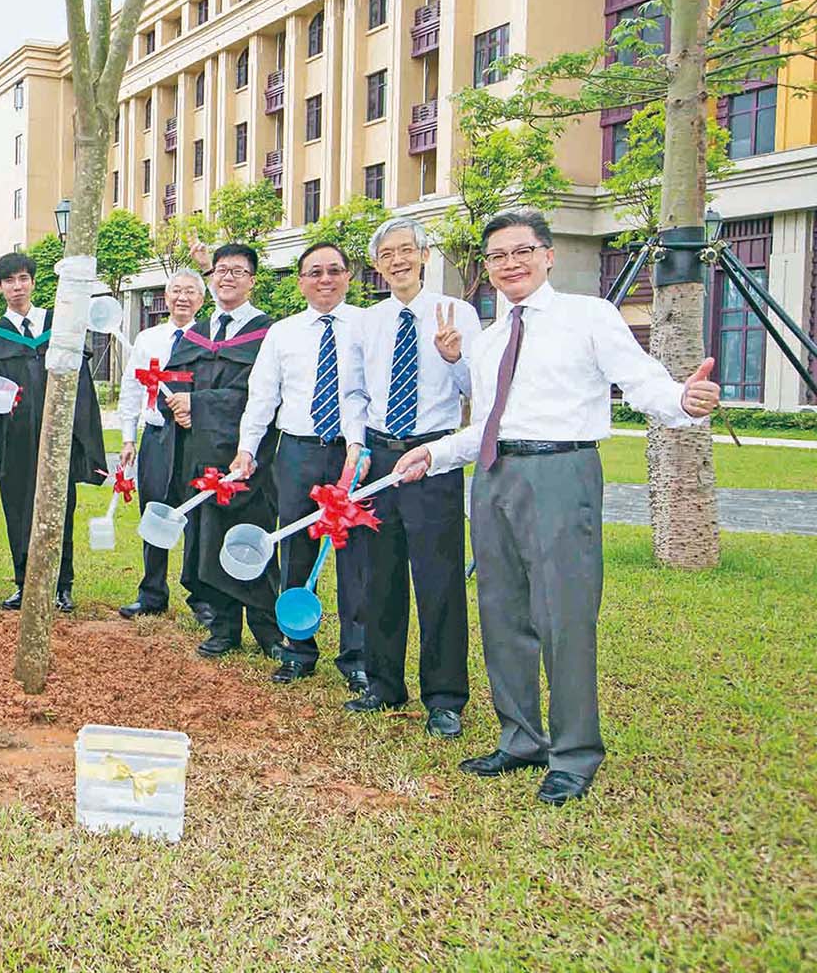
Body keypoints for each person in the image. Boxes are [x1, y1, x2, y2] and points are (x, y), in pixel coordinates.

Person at [393, 210, 720, 806]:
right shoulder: (488, 341)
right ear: (487, 268)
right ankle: (520, 738)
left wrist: (683, 400)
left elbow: (641, 380)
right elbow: (489, 424)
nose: (510, 264)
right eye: (497, 256)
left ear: (547, 255)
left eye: (522, 251)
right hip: (494, 477)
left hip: (562, 472)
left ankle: (574, 753)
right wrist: (432, 454)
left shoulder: (587, 315)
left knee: (563, 616)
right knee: (501, 611)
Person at [341, 216, 480, 737]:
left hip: (433, 459)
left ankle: (444, 698)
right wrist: (357, 446)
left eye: (406, 251)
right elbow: (353, 394)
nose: (397, 261)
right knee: (379, 576)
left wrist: (455, 356)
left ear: (424, 255)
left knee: (439, 580)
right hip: (378, 456)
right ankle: (382, 682)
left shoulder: (456, 313)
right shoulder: (365, 322)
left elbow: (476, 389)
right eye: (387, 254)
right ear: (377, 266)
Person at [231, 241, 369, 689]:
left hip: (353, 452)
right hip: (297, 452)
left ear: (349, 276)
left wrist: (360, 444)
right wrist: (248, 448)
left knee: (355, 555)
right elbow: (263, 396)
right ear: (300, 281)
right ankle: (298, 650)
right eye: (314, 272)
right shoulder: (283, 332)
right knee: (294, 549)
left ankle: (358, 657)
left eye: (334, 270)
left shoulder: (369, 327)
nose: (325, 279)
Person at [146, 244, 280, 659]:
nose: (227, 277)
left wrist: (200, 406)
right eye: (221, 270)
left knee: (247, 534)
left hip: (247, 454)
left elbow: (263, 394)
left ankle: (267, 629)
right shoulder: (198, 333)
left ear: (252, 280)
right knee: (206, 536)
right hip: (199, 450)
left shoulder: (267, 333)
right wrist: (180, 404)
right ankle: (222, 627)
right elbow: (176, 377)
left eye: (238, 271)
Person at [0, 251, 108, 612]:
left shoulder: (59, 325)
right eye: (9, 281)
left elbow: (81, 385)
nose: (17, 287)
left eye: (23, 279)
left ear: (33, 282)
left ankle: (63, 585)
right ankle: (24, 582)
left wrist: (86, 441)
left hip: (58, 438)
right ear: (1, 287)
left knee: (60, 508)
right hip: (14, 440)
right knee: (18, 507)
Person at [116, 268, 206, 619]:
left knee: (196, 516)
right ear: (165, 297)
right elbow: (131, 387)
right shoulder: (147, 338)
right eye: (176, 291)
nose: (182, 298)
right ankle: (152, 592)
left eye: (190, 292)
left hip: (195, 439)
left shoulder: (208, 337)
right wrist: (128, 436)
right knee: (153, 512)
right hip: (156, 436)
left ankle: (200, 597)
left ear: (201, 299)